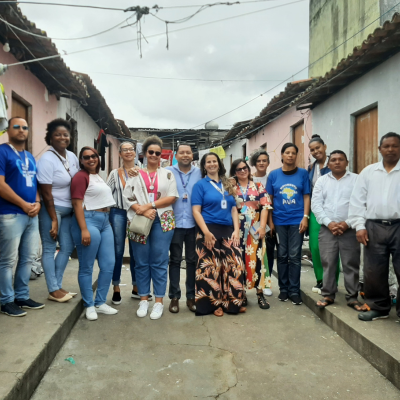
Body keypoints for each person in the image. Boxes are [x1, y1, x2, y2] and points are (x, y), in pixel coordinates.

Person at [124, 136, 178, 320]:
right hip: (139, 220)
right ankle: (144, 299)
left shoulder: (168, 174)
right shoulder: (135, 174)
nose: (154, 155)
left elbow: (172, 197)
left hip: (164, 220)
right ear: (145, 154)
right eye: (150, 152)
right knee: (141, 261)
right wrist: (140, 209)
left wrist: (149, 206)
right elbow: (127, 196)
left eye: (157, 152)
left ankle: (159, 302)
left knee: (160, 261)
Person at [349, 132, 400, 321]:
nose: (390, 149)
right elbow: (357, 201)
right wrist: (359, 226)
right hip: (373, 227)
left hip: (399, 226)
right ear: (379, 149)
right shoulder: (369, 172)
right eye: (386, 146)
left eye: (395, 146)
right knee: (374, 270)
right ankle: (379, 307)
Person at [0, 117, 44, 317]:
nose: (21, 130)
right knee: (7, 260)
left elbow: (34, 184)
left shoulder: (30, 156)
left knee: (28, 258)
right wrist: (23, 204)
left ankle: (22, 296)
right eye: (16, 127)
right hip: (10, 214)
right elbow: (1, 184)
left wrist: (37, 203)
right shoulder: (2, 151)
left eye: (25, 127)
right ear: (8, 130)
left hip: (31, 215)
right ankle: (5, 300)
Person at [192, 152, 245, 317]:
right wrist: (205, 232)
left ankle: (232, 303)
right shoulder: (200, 185)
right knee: (210, 270)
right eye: (208, 162)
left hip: (229, 230)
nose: (212, 164)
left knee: (234, 266)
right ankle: (213, 306)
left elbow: (234, 209)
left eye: (214, 161)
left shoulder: (228, 184)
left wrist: (236, 230)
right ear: (204, 165)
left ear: (219, 164)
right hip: (209, 231)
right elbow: (196, 211)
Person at [70, 146, 118, 321]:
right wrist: (84, 229)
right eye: (86, 157)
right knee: (87, 266)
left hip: (105, 221)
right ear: (81, 161)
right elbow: (77, 204)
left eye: (94, 156)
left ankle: (100, 302)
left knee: (109, 263)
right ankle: (89, 304)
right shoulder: (80, 177)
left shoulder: (97, 176)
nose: (91, 159)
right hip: (88, 220)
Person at [37, 118, 79, 303]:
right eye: (57, 135)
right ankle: (53, 289)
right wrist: (53, 218)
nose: (62, 137)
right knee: (49, 248)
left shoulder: (71, 156)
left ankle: (58, 286)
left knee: (67, 247)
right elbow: (46, 193)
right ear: (50, 138)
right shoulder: (46, 159)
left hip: (69, 210)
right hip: (51, 209)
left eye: (65, 134)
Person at [311, 150, 360, 309]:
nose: (337, 162)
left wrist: (347, 223)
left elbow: (360, 204)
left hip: (350, 229)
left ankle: (352, 297)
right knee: (328, 262)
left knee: (350, 263)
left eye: (341, 159)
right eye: (333, 160)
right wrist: (329, 223)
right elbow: (316, 205)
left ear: (347, 162)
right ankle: (328, 295)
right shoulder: (321, 181)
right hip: (327, 229)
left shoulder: (356, 180)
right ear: (328, 164)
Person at [267, 143, 311, 305]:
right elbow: (269, 201)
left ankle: (294, 290)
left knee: (295, 256)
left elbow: (306, 196)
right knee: (282, 255)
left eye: (293, 153)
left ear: (296, 155)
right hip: (279, 221)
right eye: (287, 152)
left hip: (296, 221)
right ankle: (283, 289)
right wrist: (270, 222)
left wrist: (305, 217)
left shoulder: (303, 174)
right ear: (282, 155)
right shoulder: (274, 175)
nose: (290, 155)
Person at [230, 158, 272, 309]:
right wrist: (230, 182)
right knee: (240, 261)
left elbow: (266, 206)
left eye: (244, 168)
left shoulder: (259, 186)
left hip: (255, 228)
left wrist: (262, 226)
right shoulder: (231, 188)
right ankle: (243, 294)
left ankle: (260, 294)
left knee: (258, 260)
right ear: (234, 172)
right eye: (239, 169)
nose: (242, 171)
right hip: (238, 228)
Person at [107, 142, 146, 305]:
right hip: (118, 213)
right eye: (125, 150)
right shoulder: (114, 174)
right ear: (120, 154)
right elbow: (106, 194)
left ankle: (137, 287)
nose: (129, 152)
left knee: (137, 251)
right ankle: (116, 287)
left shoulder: (143, 173)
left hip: (137, 213)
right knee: (117, 250)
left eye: (131, 149)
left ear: (135, 153)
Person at [166, 143, 202, 313]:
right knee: (174, 260)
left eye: (188, 152)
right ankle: (174, 297)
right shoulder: (168, 172)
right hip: (174, 223)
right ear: (176, 155)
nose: (185, 155)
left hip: (194, 224)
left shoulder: (200, 173)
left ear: (192, 155)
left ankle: (191, 297)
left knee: (192, 261)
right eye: (182, 152)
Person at [308, 134, 340, 294]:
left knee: (332, 248)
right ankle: (320, 280)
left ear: (324, 147)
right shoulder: (311, 168)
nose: (315, 152)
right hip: (315, 211)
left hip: (332, 211)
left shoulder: (334, 164)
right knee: (314, 247)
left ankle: (332, 281)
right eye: (312, 150)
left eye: (318, 148)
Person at [250, 149, 275, 296]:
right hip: (251, 221)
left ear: (268, 163)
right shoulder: (249, 179)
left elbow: (269, 203)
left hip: (268, 219)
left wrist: (270, 224)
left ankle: (266, 282)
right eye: (258, 161)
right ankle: (251, 281)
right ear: (254, 163)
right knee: (252, 254)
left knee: (268, 252)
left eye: (264, 160)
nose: (261, 163)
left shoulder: (271, 178)